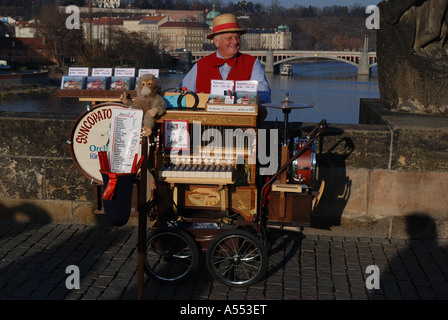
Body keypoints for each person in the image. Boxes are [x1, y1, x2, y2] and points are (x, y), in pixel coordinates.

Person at [180, 13, 271, 104]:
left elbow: (264, 93)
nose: (235, 41)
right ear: (216, 42)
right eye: (229, 38)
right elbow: (183, 93)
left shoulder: (253, 63)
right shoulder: (200, 65)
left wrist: (254, 100)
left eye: (237, 37)